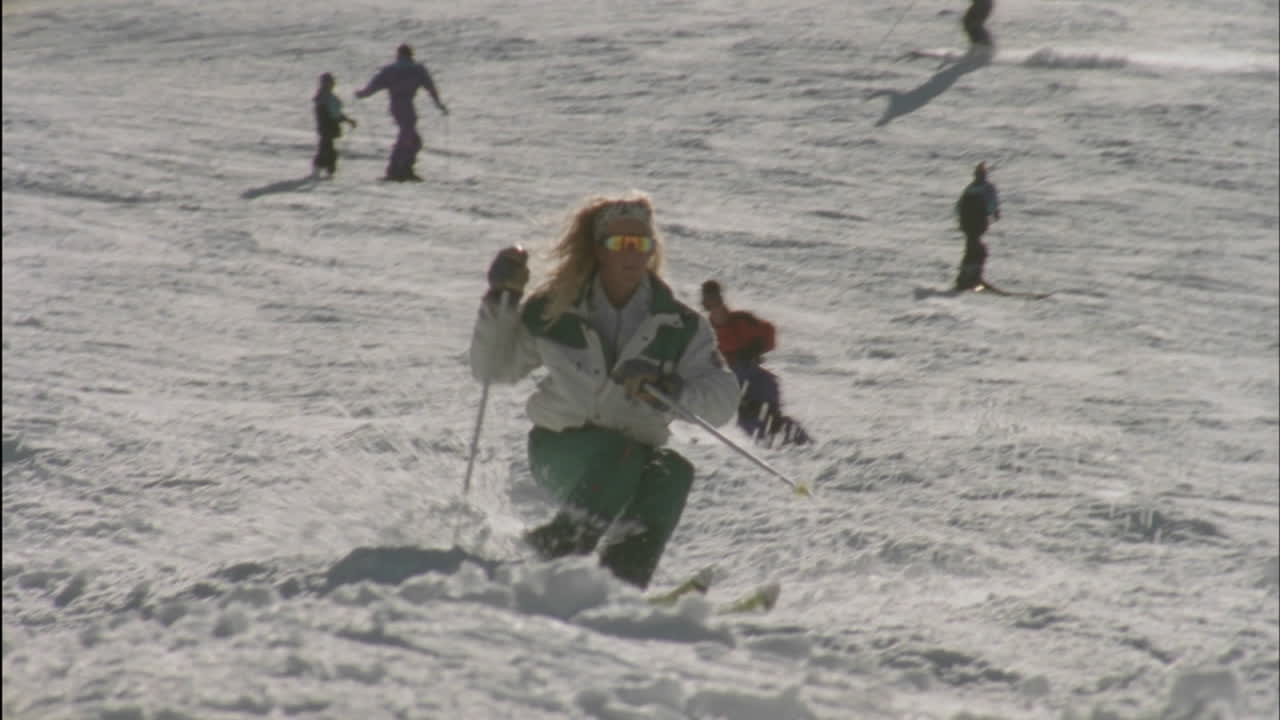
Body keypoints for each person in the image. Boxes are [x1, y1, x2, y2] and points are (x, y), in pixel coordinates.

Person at [468, 193, 740, 590]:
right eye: (620, 243)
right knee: (622, 455)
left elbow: (722, 395)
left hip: (630, 455)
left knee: (671, 472)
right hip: (562, 448)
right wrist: (499, 301)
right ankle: (550, 557)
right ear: (598, 250)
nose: (632, 253)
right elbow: (492, 368)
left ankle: (619, 584)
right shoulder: (555, 309)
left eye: (642, 243)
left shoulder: (679, 324)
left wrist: (671, 390)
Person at [699, 280, 811, 447]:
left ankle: (801, 444)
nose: (716, 307)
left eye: (717, 300)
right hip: (733, 384)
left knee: (769, 418)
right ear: (705, 304)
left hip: (756, 379)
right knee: (749, 420)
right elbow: (702, 363)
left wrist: (755, 347)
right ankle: (779, 446)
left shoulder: (741, 320)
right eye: (710, 301)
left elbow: (768, 333)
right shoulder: (705, 334)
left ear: (721, 300)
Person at [355, 43, 449, 182]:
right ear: (411, 55)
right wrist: (439, 104)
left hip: (397, 104)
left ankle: (400, 168)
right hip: (407, 104)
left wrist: (362, 94)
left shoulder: (391, 70)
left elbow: (375, 85)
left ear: (399, 55)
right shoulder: (417, 69)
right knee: (409, 137)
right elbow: (430, 88)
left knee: (410, 137)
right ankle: (400, 169)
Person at [954, 162, 1001, 291]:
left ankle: (965, 277)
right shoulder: (988, 188)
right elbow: (992, 204)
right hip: (978, 224)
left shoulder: (969, 188)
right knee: (978, 251)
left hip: (967, 224)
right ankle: (973, 279)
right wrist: (994, 213)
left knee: (972, 248)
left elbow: (958, 208)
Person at [312, 73, 357, 178]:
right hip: (326, 128)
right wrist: (346, 120)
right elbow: (332, 114)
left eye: (331, 82)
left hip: (330, 128)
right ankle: (326, 169)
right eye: (328, 82)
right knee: (328, 149)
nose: (331, 85)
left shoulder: (329, 97)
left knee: (326, 148)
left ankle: (324, 168)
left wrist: (348, 120)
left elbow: (336, 113)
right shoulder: (323, 98)